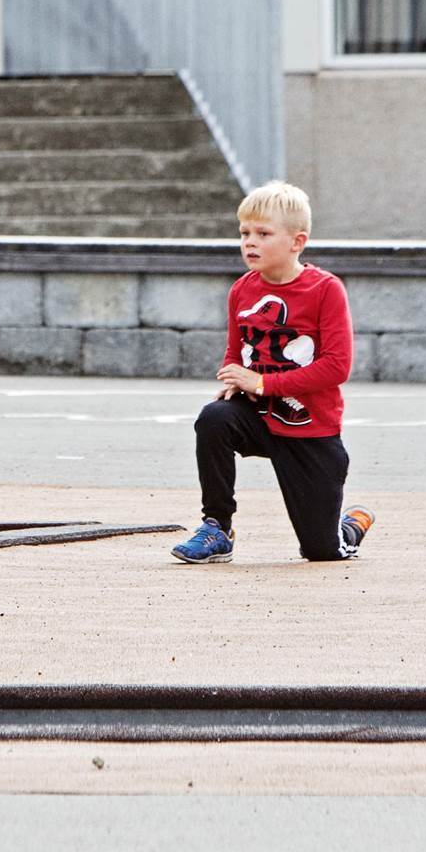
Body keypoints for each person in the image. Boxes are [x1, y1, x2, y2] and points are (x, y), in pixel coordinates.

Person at [172, 180, 373, 566]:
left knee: (321, 552)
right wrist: (233, 382)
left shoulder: (325, 290)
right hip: (259, 417)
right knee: (214, 419)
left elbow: (336, 366)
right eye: (245, 233)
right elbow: (236, 352)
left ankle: (349, 526)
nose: (250, 242)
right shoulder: (241, 290)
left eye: (263, 234)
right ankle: (217, 528)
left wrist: (264, 382)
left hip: (310, 427)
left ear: (297, 242)